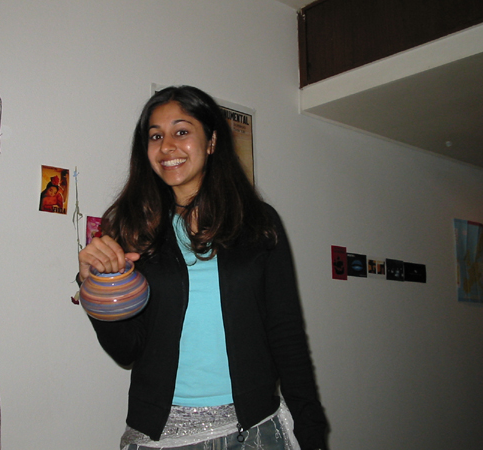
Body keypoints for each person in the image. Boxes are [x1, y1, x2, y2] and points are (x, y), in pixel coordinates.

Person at [77, 86, 328, 449]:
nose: (167, 146)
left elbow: (286, 335)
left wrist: (311, 433)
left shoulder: (258, 223)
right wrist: (95, 289)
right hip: (161, 436)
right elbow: (127, 351)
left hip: (255, 430)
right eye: (155, 136)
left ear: (211, 141)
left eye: (182, 131)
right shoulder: (133, 230)